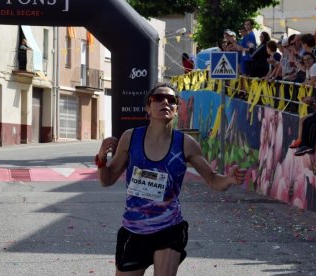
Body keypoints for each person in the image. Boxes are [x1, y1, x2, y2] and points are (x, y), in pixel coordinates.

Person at [96, 82, 246, 275]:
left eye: (171, 100)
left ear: (176, 109)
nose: (165, 102)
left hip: (169, 227)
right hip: (135, 228)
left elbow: (213, 180)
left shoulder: (186, 144)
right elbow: (106, 180)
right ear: (148, 108)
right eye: (158, 98)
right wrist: (101, 158)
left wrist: (229, 179)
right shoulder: (130, 138)